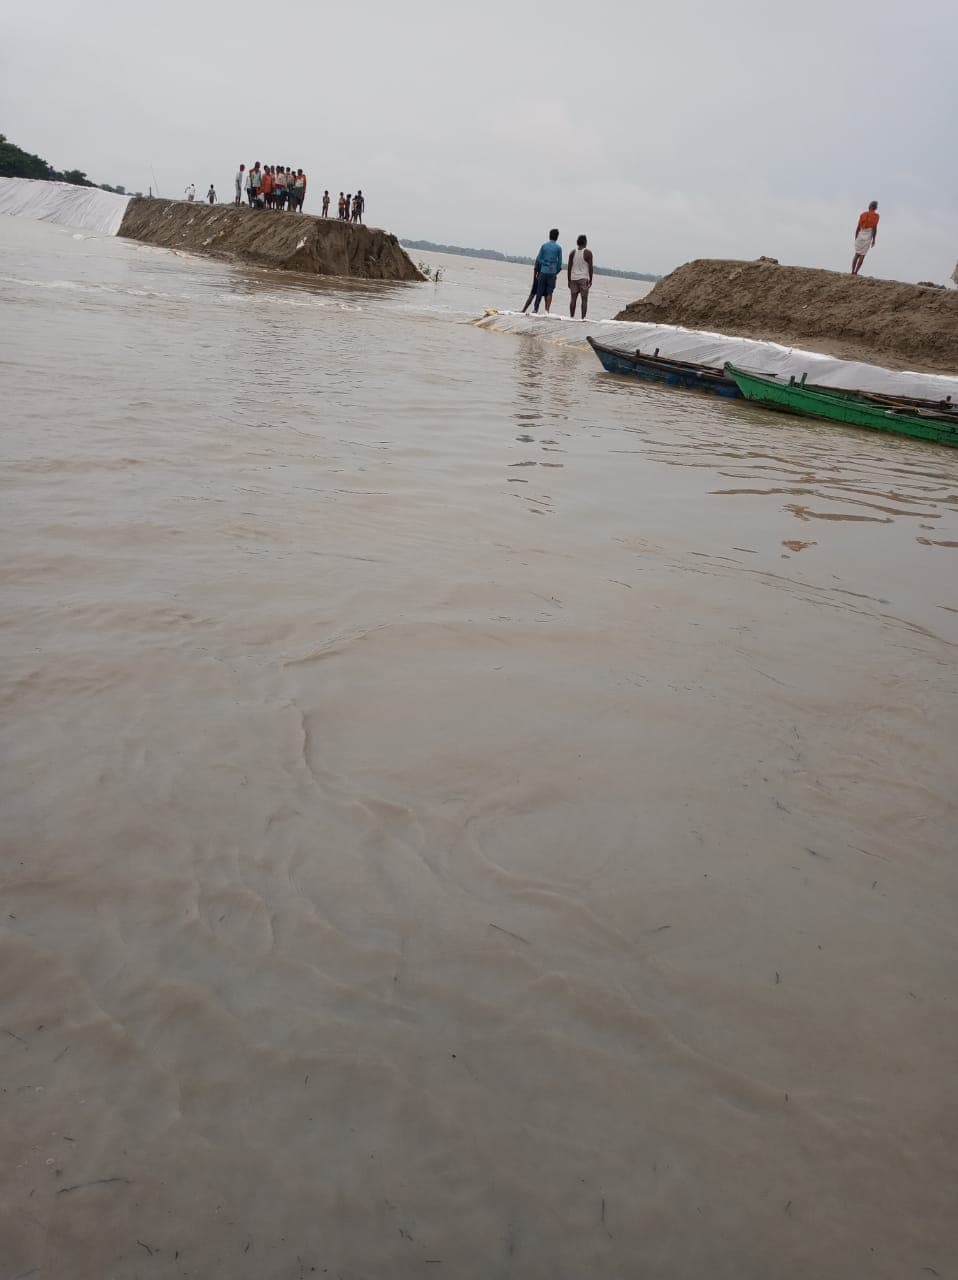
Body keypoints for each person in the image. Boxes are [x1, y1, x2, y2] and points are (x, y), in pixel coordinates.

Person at [533, 228, 563, 313]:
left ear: (549, 236)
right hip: (552, 273)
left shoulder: (544, 246)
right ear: (557, 237)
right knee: (550, 292)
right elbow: (560, 262)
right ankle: (547, 310)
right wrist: (555, 271)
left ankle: (535, 309)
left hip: (543, 271)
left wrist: (545, 264)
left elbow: (539, 259)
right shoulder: (558, 248)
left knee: (539, 291)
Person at [567, 234, 594, 319]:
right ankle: (583, 318)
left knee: (573, 299)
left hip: (573, 278)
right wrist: (590, 280)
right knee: (584, 299)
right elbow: (590, 268)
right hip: (583, 279)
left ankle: (571, 317)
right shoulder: (588, 253)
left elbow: (569, 267)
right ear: (585, 242)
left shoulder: (572, 252)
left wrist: (569, 280)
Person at [852, 201, 879, 275]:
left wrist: (856, 236)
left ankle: (852, 271)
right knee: (862, 255)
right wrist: (874, 240)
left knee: (857, 254)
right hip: (868, 236)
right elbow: (874, 229)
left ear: (869, 206)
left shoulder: (863, 214)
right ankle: (856, 272)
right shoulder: (876, 216)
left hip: (860, 234)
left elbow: (858, 227)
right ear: (875, 208)